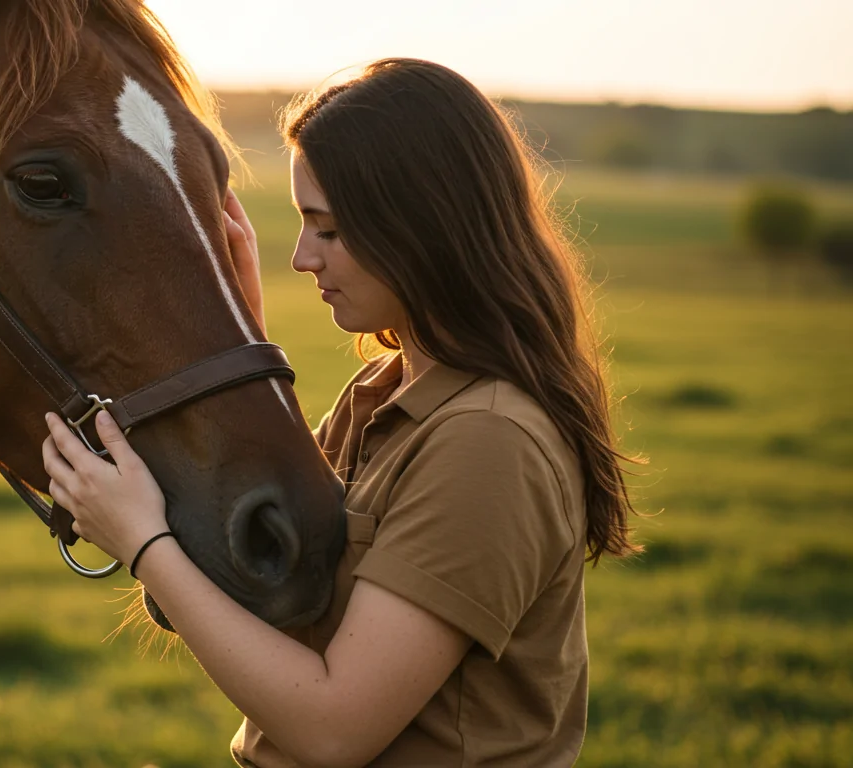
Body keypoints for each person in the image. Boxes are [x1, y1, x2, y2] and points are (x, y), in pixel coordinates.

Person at [41, 58, 639, 768]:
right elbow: (255, 580)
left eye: (327, 230)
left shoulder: (488, 441)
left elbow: (334, 730)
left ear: (420, 228)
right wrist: (241, 346)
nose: (301, 259)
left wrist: (142, 544)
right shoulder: (381, 395)